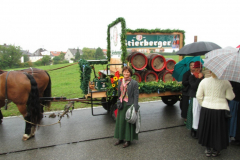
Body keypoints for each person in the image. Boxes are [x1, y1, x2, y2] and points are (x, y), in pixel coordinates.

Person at [196, 71, 235, 157]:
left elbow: (198, 96)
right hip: (220, 109)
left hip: (206, 108)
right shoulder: (226, 82)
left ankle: (208, 149)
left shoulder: (204, 81)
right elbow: (230, 97)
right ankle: (216, 149)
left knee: (207, 128)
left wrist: (204, 104)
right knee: (218, 129)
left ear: (210, 71)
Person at [114, 66, 139, 148]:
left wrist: (135, 107)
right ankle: (120, 138)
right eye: (124, 72)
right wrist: (118, 101)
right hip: (121, 104)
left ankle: (128, 140)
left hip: (129, 105)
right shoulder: (120, 81)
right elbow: (118, 93)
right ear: (123, 72)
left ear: (130, 73)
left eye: (128, 72)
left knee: (128, 123)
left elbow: (136, 96)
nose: (126, 73)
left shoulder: (134, 83)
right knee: (120, 122)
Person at [186, 61, 204, 138]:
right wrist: (199, 79)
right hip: (195, 97)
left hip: (202, 97)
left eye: (199, 68)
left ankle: (200, 129)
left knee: (200, 114)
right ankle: (194, 130)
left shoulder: (203, 76)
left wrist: (202, 78)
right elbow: (193, 86)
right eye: (196, 68)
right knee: (194, 113)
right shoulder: (192, 77)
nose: (198, 70)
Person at [229, 81, 240, 145]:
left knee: (233, 118)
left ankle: (232, 134)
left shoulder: (234, 78)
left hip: (235, 100)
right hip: (235, 100)